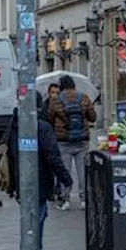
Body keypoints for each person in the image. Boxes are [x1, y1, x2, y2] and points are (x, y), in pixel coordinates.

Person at [2, 92, 72, 250]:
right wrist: (66, 178)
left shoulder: (14, 124)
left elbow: (6, 151)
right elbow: (52, 156)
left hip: (21, 181)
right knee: (37, 219)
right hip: (39, 181)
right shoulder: (42, 127)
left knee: (30, 218)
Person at [47, 75, 95, 210]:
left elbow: (50, 118)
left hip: (63, 141)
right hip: (82, 140)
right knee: (82, 172)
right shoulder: (84, 97)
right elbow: (93, 117)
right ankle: (84, 200)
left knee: (64, 171)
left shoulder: (56, 100)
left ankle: (65, 200)